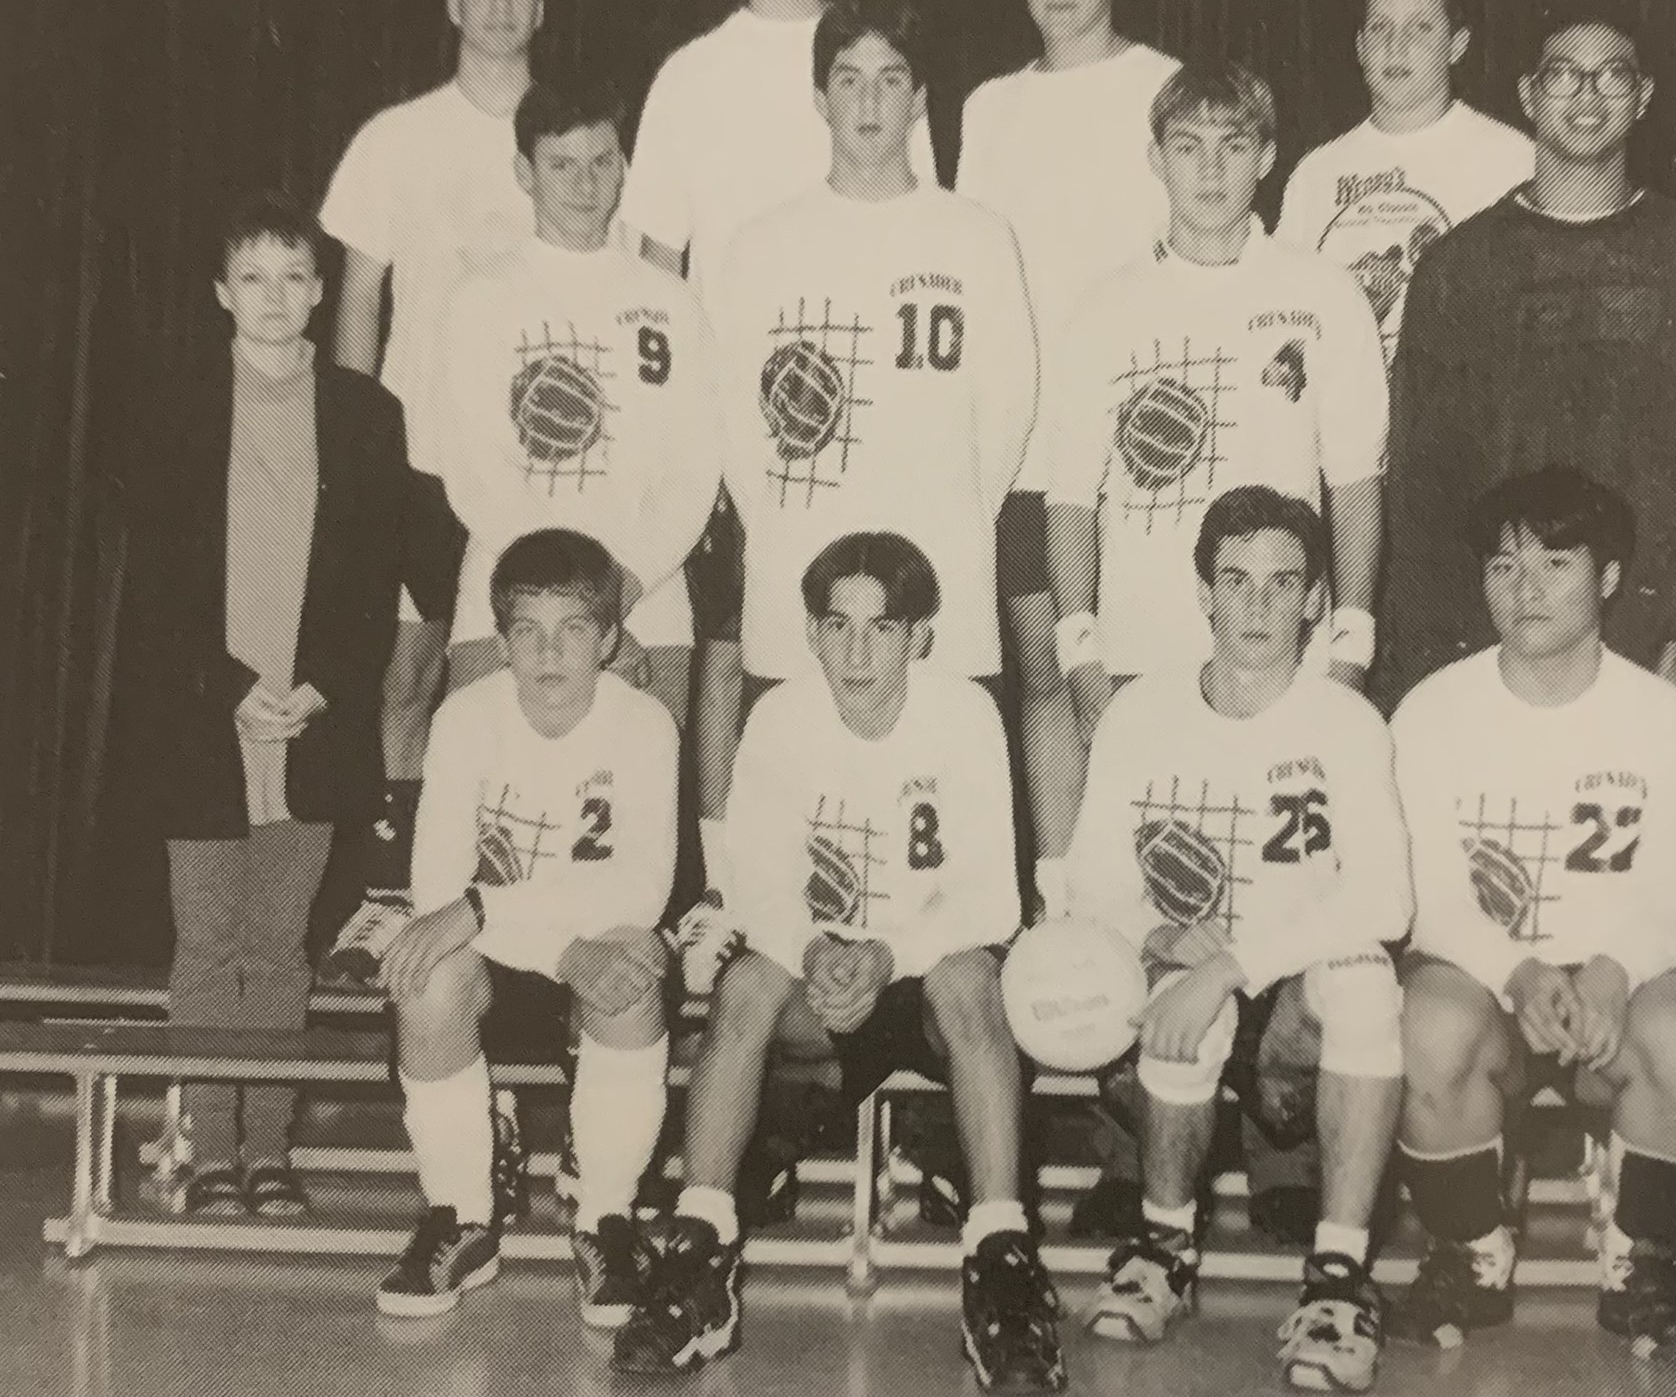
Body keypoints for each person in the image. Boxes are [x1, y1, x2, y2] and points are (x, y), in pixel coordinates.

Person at [1046, 61, 1387, 1234]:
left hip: (1272, 643)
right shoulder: (1103, 306)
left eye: (1232, 143)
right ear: (1155, 159)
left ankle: (1284, 1144)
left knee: (1283, 883)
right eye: (1185, 144)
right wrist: (1081, 649)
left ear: (1267, 157)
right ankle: (1134, 1147)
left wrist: (1349, 641)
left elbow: (1353, 478)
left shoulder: (1320, 296)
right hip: (1146, 653)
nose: (1208, 167)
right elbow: (1069, 494)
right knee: (1152, 894)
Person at [611, 533, 1064, 1392]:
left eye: (882, 628)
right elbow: (758, 883)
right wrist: (816, 949)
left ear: (919, 636)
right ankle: (699, 1254)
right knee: (746, 983)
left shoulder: (965, 713)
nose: (857, 651)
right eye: (837, 626)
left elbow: (991, 900)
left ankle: (1001, 1259)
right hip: (820, 987)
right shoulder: (779, 717)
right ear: (812, 633)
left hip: (927, 984)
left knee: (974, 977)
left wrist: (889, 951)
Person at [615, 0, 935, 896]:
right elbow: (654, 265)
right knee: (726, 643)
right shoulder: (690, 74)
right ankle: (716, 886)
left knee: (863, 642)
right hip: (728, 412)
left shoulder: (871, 58)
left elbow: (918, 230)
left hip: (864, 418)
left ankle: (865, 880)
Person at [1377, 6, 1676, 820]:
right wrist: (1433, 654)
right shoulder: (1462, 267)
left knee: (1639, 911)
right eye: (1565, 73)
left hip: (1657, 642)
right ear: (1529, 94)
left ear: (1644, 96)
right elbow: (1424, 481)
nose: (1587, 95)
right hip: (1499, 646)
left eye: (1613, 74)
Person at [1065, 486, 1408, 1392]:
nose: (1257, 606)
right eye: (1236, 581)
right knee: (1166, 987)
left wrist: (1227, 965)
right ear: (1204, 594)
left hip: (1295, 1005)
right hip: (1183, 987)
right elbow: (1092, 883)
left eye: (1281, 583)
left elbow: (1387, 899)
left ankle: (1338, 1279)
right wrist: (1160, 935)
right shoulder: (1139, 716)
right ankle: (1163, 1248)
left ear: (1313, 603)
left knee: (1367, 978)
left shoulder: (1348, 723)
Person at [1390, 466, 1676, 1364]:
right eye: (1504, 568)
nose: (1527, 589)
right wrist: (1519, 971)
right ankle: (1471, 1251)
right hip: (1492, 987)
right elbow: (1423, 898)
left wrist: (1613, 971)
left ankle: (1642, 1263)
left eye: (1555, 562)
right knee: (1425, 1024)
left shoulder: (1671, 723)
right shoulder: (1430, 714)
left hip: (1616, 987)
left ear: (1610, 578)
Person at [116, 192, 413, 1216]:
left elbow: (376, 583)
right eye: (253, 275)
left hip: (312, 721)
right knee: (207, 944)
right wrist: (235, 691)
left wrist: (317, 688)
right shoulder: (173, 409)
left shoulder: (369, 416)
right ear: (219, 292)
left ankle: (270, 1152)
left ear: (322, 290)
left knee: (279, 948)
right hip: (206, 722)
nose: (275, 296)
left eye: (294, 275)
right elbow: (152, 590)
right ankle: (209, 1154)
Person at [376, 529, 678, 1326]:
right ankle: (461, 1217)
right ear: (500, 638)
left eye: (573, 629)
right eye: (527, 632)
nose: (549, 655)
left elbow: (639, 888)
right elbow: (437, 890)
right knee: (428, 974)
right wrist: (532, 932)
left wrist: (487, 908)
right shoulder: (465, 719)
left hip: (578, 954)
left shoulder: (645, 725)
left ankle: (606, 1220)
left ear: (609, 638)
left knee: (632, 959)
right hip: (500, 965)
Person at [316, 0, 546, 964]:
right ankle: (391, 886)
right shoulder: (394, 137)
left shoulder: (566, 143)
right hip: (417, 460)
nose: (499, 6)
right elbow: (358, 298)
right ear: (454, 4)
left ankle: (500, 905)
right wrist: (355, 443)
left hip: (535, 465)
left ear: (541, 8)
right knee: (407, 678)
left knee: (505, 682)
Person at [715, 0, 1036, 716]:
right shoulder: (762, 244)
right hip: (799, 557)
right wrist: (775, 532)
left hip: (940, 569)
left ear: (919, 99)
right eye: (848, 79)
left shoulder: (976, 236)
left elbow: (1008, 413)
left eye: (890, 79)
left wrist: (950, 518)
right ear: (819, 98)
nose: (869, 100)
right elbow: (733, 418)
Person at [955, 0, 1179, 885]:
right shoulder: (988, 107)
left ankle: (1150, 885)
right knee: (1045, 668)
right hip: (1029, 441)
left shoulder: (1169, 87)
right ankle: (1062, 900)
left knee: (1144, 669)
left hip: (1146, 441)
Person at [433, 76, 719, 723]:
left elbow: (695, 470)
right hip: (507, 615)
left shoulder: (670, 303)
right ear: (524, 173)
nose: (585, 186)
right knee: (505, 816)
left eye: (601, 164)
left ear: (624, 169)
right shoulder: (481, 298)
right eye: (561, 166)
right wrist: (574, 614)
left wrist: (616, 601)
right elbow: (477, 477)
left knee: (635, 818)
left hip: (650, 609)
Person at [1274, 0, 1533, 365]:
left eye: (1421, 29)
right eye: (1380, 28)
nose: (1396, 47)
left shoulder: (1514, 159)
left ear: (1456, 45)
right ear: (1359, 46)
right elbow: (1284, 313)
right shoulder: (1316, 173)